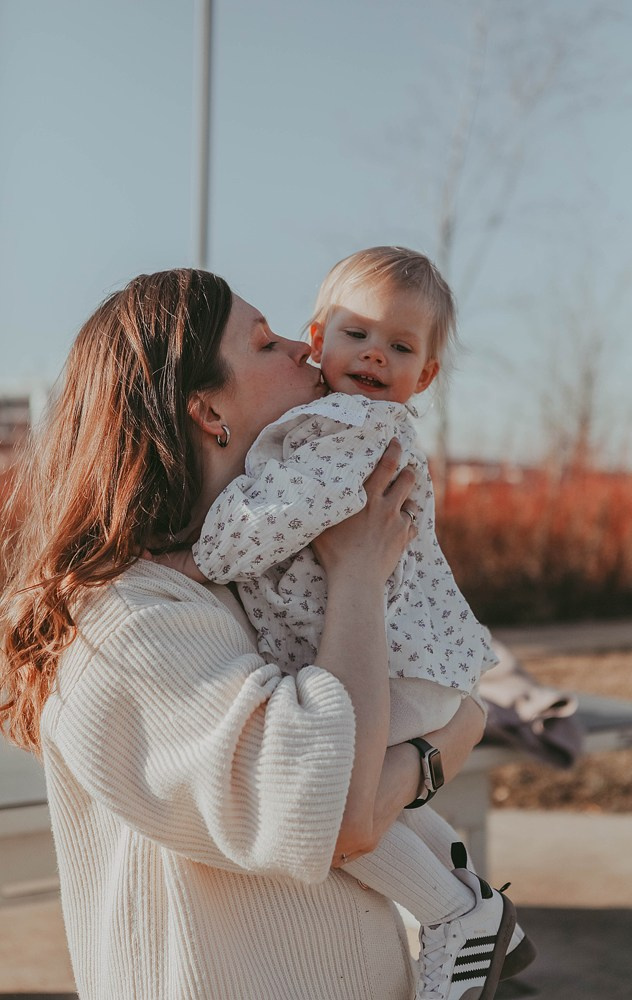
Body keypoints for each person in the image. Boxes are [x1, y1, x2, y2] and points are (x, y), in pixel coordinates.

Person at [0, 268, 490, 1000]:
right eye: (265, 342)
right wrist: (359, 578)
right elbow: (340, 816)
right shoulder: (131, 621)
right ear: (208, 410)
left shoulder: (243, 582)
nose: (303, 347)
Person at [157, 248, 534, 1000]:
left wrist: (198, 559)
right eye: (357, 334)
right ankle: (473, 903)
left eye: (400, 348)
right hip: (410, 663)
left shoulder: (346, 424)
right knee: (371, 802)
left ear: (423, 376)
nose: (373, 355)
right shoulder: (329, 421)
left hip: (394, 661)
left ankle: (455, 915)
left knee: (336, 808)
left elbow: (280, 513)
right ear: (320, 333)